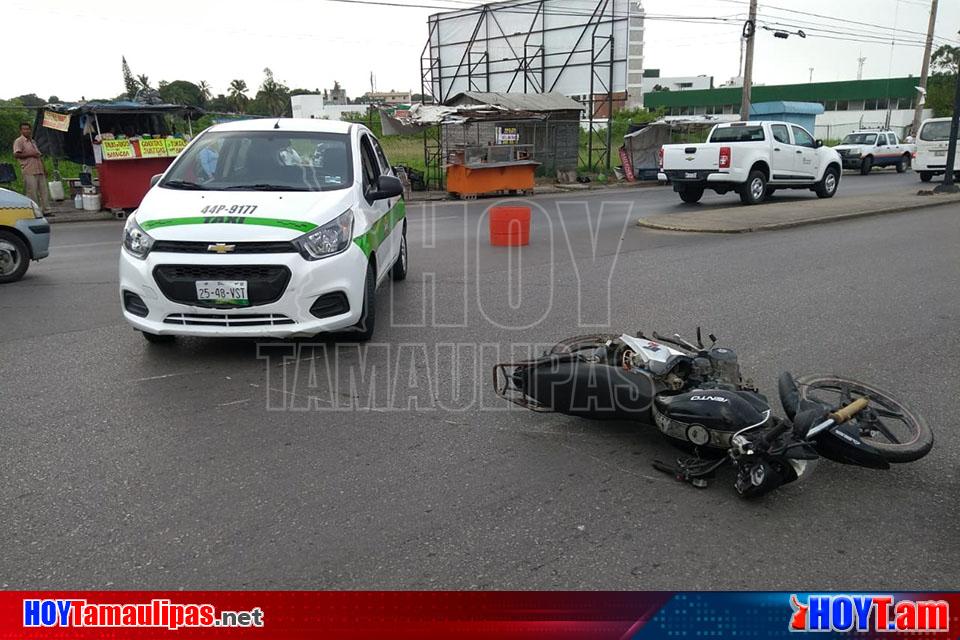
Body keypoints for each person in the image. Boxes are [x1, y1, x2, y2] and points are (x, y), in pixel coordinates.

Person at [12, 122, 50, 214]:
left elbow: (38, 156)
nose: (26, 131)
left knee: (44, 191)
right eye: (24, 129)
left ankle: (46, 210)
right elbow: (16, 154)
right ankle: (34, 211)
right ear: (21, 131)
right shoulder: (19, 141)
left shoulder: (33, 141)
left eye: (28, 129)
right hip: (29, 170)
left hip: (39, 169)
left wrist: (44, 169)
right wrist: (31, 154)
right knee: (32, 192)